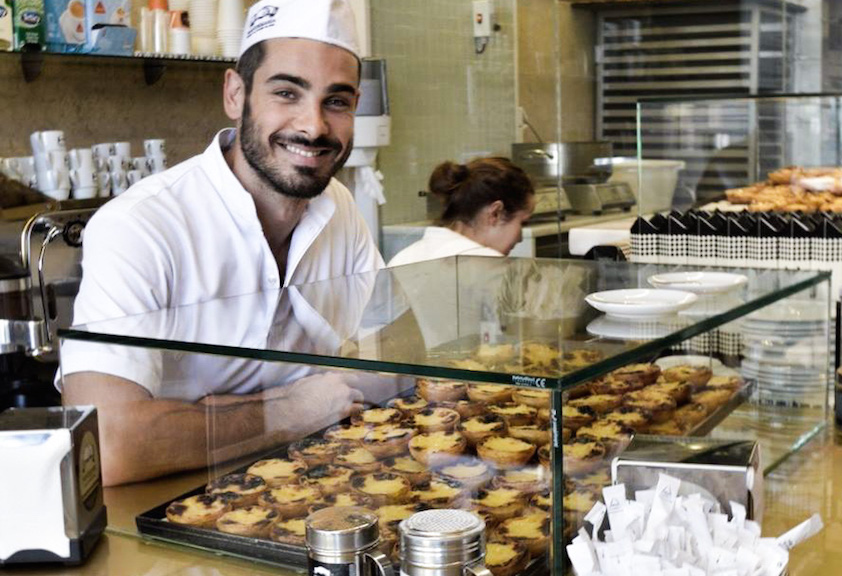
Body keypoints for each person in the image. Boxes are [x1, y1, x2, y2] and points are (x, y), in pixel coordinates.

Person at [60, 0, 386, 485]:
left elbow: (388, 366)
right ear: (235, 94)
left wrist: (210, 415)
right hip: (165, 520)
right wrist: (290, 410)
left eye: (335, 101)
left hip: (316, 491)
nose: (314, 126)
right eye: (287, 93)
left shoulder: (340, 209)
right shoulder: (141, 226)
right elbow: (106, 445)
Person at [388, 157, 535, 267]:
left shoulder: (403, 259)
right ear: (495, 213)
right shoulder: (489, 265)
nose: (520, 238)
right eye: (522, 222)